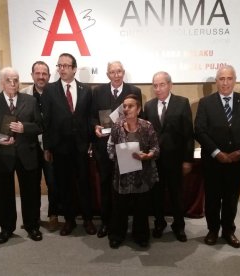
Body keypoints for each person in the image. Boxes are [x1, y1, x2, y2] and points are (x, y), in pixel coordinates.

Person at [194, 65, 240, 248]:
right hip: (213, 161)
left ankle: (229, 231)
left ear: (234, 80)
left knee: (231, 199)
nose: (225, 82)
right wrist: (217, 153)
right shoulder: (206, 103)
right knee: (212, 199)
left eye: (229, 78)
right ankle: (213, 230)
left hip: (237, 161)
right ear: (216, 81)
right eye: (222, 78)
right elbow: (200, 131)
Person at [0, 67, 43, 244]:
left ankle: (32, 226)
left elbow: (40, 126)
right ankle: (7, 229)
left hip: (27, 154)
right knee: (5, 194)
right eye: (9, 80)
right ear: (2, 82)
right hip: (2, 155)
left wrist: (25, 128)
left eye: (16, 79)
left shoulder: (30, 101)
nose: (13, 83)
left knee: (30, 193)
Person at [41, 53, 96, 236]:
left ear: (74, 69)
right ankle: (69, 220)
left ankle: (87, 219)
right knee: (64, 185)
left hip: (81, 147)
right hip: (60, 147)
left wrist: (90, 142)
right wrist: (47, 147)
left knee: (83, 184)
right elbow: (46, 120)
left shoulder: (86, 90)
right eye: (60, 65)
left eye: (66, 66)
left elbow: (89, 118)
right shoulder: (50, 90)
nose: (62, 69)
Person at [91, 61, 142, 238]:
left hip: (128, 146)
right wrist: (95, 126)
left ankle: (128, 224)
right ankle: (106, 222)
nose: (116, 75)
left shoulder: (134, 91)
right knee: (106, 185)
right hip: (104, 147)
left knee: (129, 186)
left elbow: (138, 116)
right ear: (107, 75)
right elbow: (91, 116)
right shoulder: (97, 92)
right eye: (112, 72)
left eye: (119, 71)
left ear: (123, 72)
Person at [143, 71, 194, 242]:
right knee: (156, 195)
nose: (158, 89)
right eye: (155, 85)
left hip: (176, 160)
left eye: (162, 84)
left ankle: (179, 226)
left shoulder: (182, 103)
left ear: (170, 85)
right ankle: (159, 223)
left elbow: (188, 135)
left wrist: (187, 160)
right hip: (155, 161)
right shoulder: (148, 106)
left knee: (176, 194)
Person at [107, 94, 159, 249]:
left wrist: (148, 155)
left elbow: (156, 148)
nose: (126, 109)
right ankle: (117, 235)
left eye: (130, 106)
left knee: (141, 209)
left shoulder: (147, 126)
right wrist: (116, 157)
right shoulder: (117, 125)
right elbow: (110, 146)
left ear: (139, 109)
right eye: (124, 106)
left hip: (142, 176)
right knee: (119, 208)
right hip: (122, 176)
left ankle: (141, 236)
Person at [21, 61, 59, 231]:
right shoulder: (23, 95)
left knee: (52, 182)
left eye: (44, 74)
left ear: (49, 76)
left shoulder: (55, 94)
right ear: (32, 75)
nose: (41, 77)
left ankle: (53, 215)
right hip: (30, 147)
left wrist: (49, 146)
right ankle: (33, 218)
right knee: (32, 184)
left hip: (49, 146)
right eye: (38, 73)